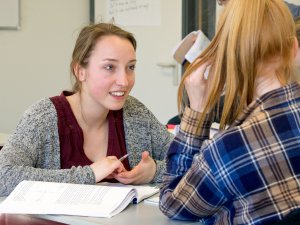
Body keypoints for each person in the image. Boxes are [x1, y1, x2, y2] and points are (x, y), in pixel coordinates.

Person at [159, 0, 300, 224]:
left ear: (229, 60)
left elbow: (174, 205)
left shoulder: (228, 149)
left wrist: (198, 112)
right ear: (294, 48)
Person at [0, 23, 174, 196]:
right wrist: (89, 174)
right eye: (109, 67)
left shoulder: (136, 113)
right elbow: (3, 176)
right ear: (80, 71)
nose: (124, 81)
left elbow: (192, 162)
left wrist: (155, 171)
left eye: (131, 67)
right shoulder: (43, 117)